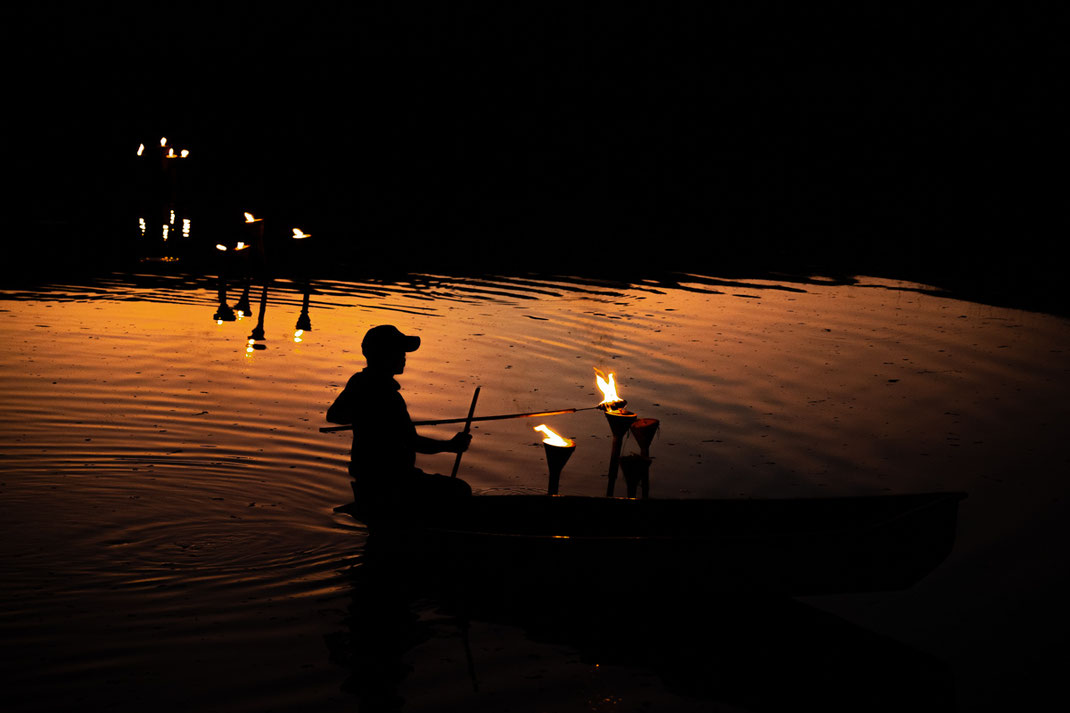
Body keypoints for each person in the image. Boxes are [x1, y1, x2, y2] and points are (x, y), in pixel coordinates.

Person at [327, 324, 472, 520]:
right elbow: (413, 442)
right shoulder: (388, 396)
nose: (404, 356)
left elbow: (335, 415)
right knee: (460, 489)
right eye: (398, 351)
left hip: (368, 475)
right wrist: (451, 445)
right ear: (384, 355)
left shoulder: (359, 381)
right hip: (392, 480)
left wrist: (368, 418)